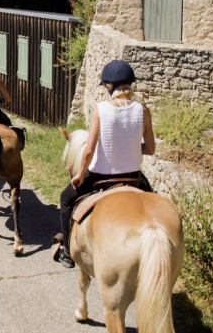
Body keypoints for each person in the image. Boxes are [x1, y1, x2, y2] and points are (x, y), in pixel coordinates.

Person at [52, 60, 155, 269]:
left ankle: (68, 252)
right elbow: (150, 149)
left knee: (66, 199)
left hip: (101, 177)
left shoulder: (100, 110)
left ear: (110, 86)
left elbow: (89, 150)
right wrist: (133, 148)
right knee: (152, 201)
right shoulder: (144, 111)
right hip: (133, 177)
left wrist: (80, 174)